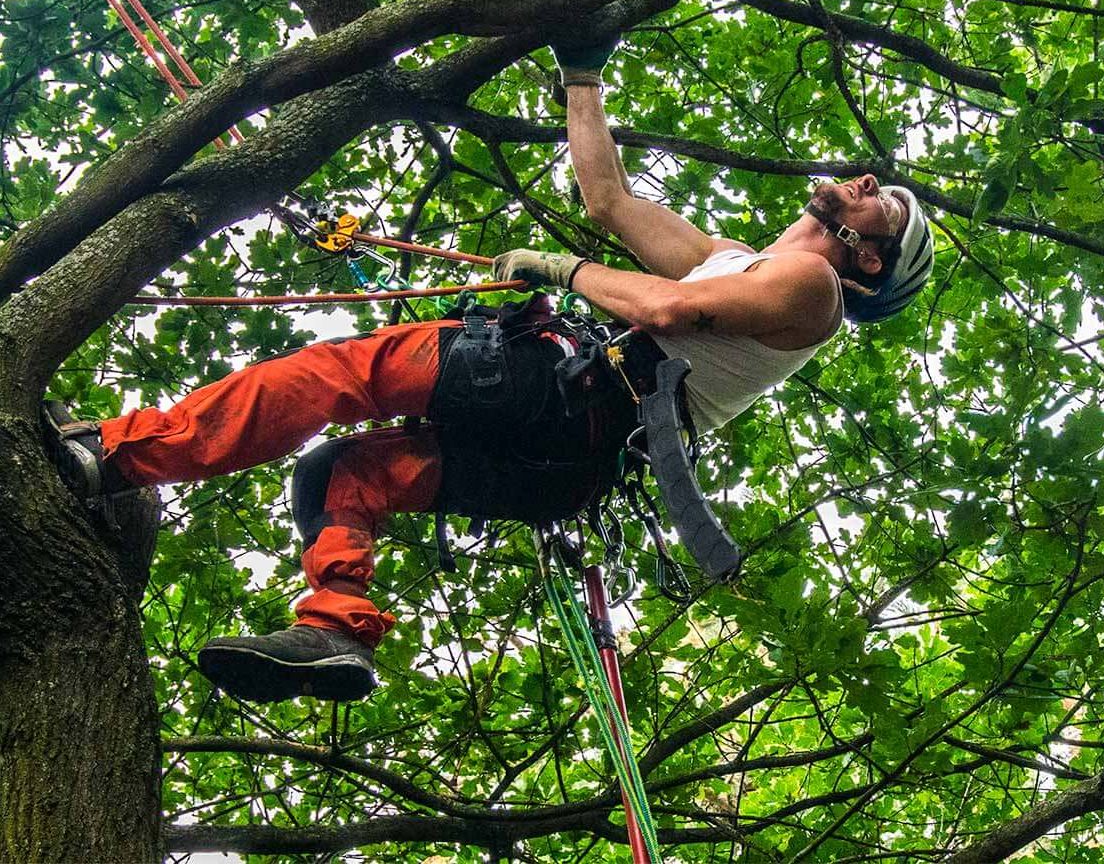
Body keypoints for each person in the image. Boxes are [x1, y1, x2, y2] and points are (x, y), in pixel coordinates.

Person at [46, 36, 935, 703]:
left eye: (880, 203)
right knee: (343, 471)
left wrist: (560, 271)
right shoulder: (736, 258)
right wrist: (582, 73)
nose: (861, 181)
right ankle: (334, 631)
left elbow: (667, 312)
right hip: (566, 461)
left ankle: (112, 456)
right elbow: (609, 199)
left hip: (561, 395)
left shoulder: (813, 289)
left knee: (337, 373)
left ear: (867, 262)